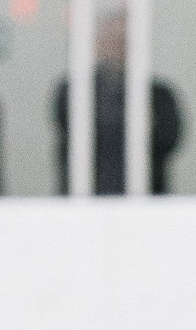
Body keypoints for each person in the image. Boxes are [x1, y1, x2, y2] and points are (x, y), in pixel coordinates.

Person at [51, 13, 185, 195]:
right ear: (99, 44)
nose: (120, 48)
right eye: (114, 41)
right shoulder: (74, 91)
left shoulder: (159, 95)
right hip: (84, 202)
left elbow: (168, 140)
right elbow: (77, 132)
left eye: (126, 42)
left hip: (146, 203)